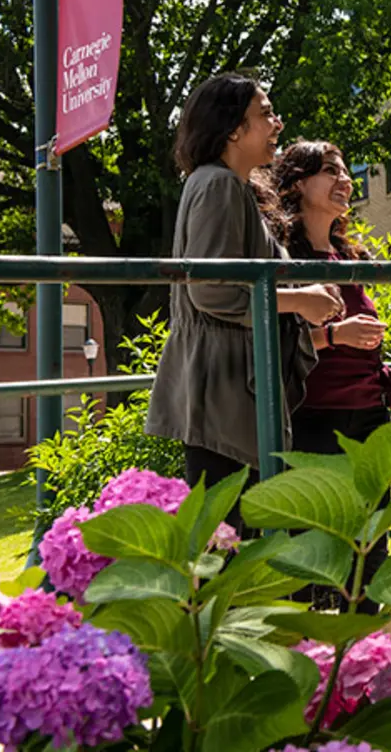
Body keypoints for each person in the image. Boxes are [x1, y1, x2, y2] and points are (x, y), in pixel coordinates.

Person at [147, 72, 341, 502]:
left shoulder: (223, 184)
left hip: (223, 386)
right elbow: (212, 290)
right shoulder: (217, 185)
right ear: (233, 128)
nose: (278, 125)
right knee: (225, 538)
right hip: (223, 392)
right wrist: (300, 302)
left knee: (228, 534)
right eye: (267, 114)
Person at [271, 141, 391, 610]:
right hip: (315, 419)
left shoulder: (351, 257)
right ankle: (316, 668)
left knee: (373, 546)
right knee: (316, 546)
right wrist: (335, 336)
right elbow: (272, 342)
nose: (345, 180)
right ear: (296, 183)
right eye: (330, 171)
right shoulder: (284, 257)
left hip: (369, 416)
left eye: (347, 172)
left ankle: (365, 662)